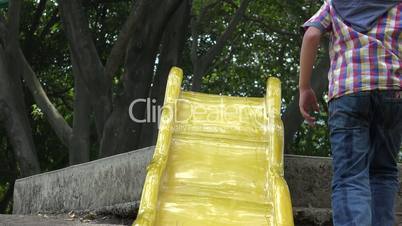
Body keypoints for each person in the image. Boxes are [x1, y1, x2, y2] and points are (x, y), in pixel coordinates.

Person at [298, 0, 402, 225]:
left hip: (349, 92)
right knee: (384, 172)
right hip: (392, 92)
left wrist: (305, 88)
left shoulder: (335, 3)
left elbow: (312, 36)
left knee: (350, 177)